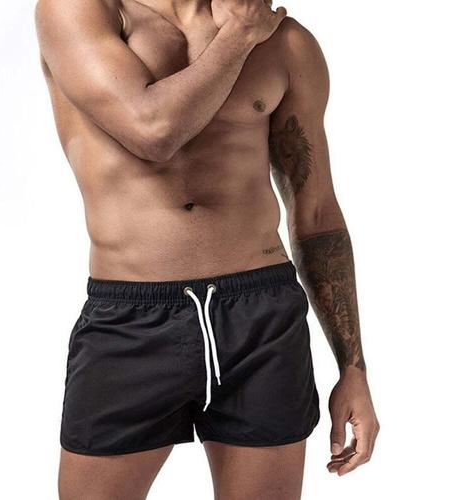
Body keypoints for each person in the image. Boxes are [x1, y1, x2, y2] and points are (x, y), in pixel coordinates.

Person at [35, 0, 379, 497]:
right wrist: (237, 37)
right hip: (133, 319)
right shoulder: (81, 12)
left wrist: (353, 369)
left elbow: (317, 213)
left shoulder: (287, 44)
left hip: (262, 320)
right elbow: (153, 131)